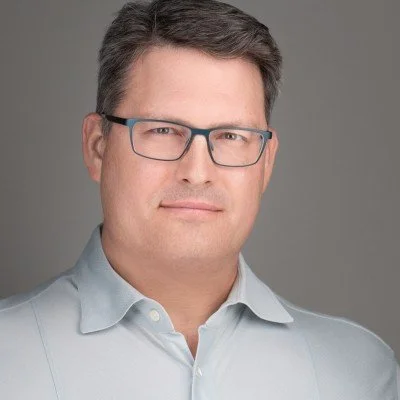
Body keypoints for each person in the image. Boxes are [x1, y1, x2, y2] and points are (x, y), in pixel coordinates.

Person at [1, 0, 399, 398]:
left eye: (231, 136)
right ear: (97, 147)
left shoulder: (362, 376)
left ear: (266, 163)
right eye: (162, 130)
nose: (197, 170)